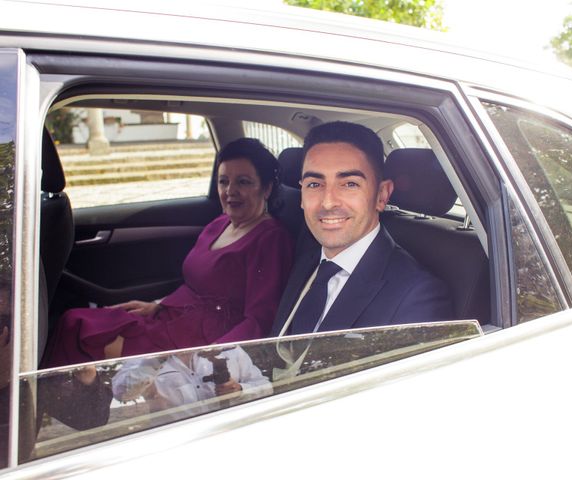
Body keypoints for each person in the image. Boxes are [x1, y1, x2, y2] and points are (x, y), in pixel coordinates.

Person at [43, 138, 294, 368]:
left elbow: (259, 321)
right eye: (223, 181)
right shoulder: (220, 223)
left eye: (244, 182)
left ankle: (59, 406)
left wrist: (210, 358)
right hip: (173, 318)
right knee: (72, 320)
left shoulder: (271, 239)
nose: (230, 191)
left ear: (267, 189)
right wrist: (157, 306)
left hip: (202, 342)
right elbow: (194, 285)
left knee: (81, 337)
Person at [270, 121, 452, 337]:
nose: (328, 203)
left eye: (349, 184)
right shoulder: (309, 262)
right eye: (314, 184)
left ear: (381, 195)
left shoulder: (417, 297)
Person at [112, 346, 272, 414]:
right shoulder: (144, 358)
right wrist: (156, 360)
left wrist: (241, 390)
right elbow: (121, 394)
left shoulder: (229, 348)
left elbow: (267, 387)